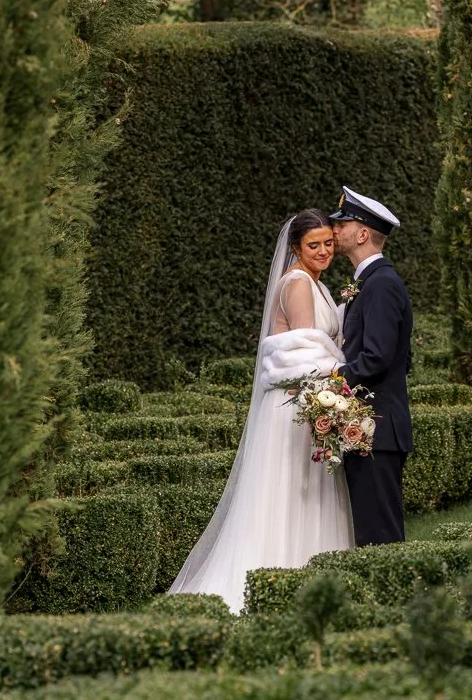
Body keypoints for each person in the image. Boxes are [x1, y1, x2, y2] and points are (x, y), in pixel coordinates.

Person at [168, 209, 354, 612]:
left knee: (309, 492)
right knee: (292, 492)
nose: (323, 251)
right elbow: (308, 358)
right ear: (295, 248)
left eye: (327, 243)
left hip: (302, 399)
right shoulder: (300, 284)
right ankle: (283, 576)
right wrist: (331, 398)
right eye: (313, 245)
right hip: (295, 404)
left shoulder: (317, 284)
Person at [330, 186, 414, 546]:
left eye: (343, 222)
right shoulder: (369, 282)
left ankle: (395, 601)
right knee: (370, 531)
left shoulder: (380, 285)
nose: (335, 229)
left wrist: (330, 382)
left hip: (376, 429)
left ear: (362, 233)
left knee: (380, 536)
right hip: (369, 426)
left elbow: (378, 356)